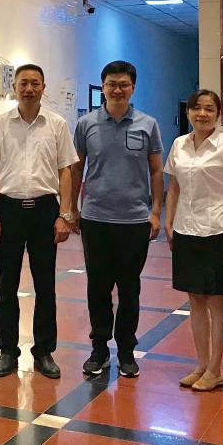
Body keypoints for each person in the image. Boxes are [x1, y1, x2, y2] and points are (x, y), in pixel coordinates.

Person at [0, 64, 78, 379]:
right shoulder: (0, 124)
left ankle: (44, 352)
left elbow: (66, 170)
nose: (29, 89)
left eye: (35, 83)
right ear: (15, 86)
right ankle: (7, 351)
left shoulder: (56, 124)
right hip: (9, 209)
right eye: (23, 83)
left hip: (44, 210)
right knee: (6, 284)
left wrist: (65, 215)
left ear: (43, 87)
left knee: (45, 284)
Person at [70, 60, 163, 378]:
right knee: (97, 287)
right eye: (111, 84)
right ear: (103, 87)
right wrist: (71, 208)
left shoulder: (148, 124)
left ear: (133, 88)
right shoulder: (86, 124)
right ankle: (99, 349)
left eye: (123, 84)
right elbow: (76, 168)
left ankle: (126, 351)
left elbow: (156, 170)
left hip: (134, 221)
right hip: (95, 219)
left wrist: (155, 211)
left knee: (129, 288)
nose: (117, 89)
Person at [165, 89, 223, 392]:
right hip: (186, 228)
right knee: (194, 300)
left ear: (218, 114)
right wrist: (169, 222)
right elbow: (174, 187)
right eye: (196, 108)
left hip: (217, 229)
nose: (202, 114)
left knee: (215, 300)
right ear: (188, 112)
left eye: (209, 109)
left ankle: (215, 368)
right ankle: (201, 364)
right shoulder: (179, 144)